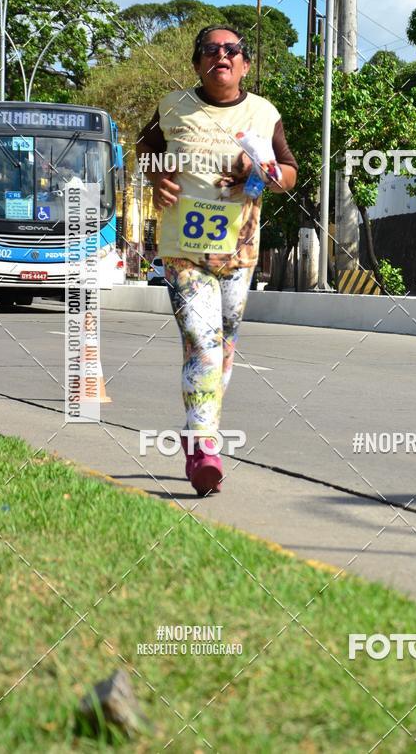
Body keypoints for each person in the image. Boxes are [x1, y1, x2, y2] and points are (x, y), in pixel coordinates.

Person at [137, 25, 298, 495]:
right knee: (203, 346)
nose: (221, 56)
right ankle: (205, 448)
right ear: (197, 63)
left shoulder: (264, 114)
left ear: (244, 64)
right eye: (211, 50)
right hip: (182, 252)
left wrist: (258, 169)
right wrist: (155, 177)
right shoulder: (172, 107)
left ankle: (195, 430)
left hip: (239, 252)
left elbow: (288, 174)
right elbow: (143, 151)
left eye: (232, 50)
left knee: (224, 349)